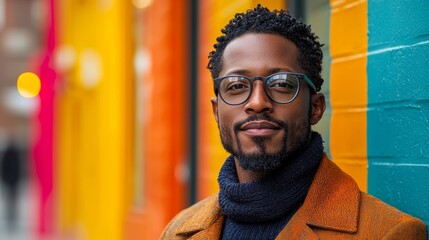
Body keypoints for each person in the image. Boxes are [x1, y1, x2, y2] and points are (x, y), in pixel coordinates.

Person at [161, 5, 427, 239]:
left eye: (282, 84)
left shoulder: (386, 234)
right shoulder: (179, 230)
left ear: (315, 108)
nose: (257, 101)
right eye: (237, 85)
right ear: (217, 111)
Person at [0, 140, 22, 231]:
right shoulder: (12, 154)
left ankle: (12, 217)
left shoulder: (11, 154)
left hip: (12, 180)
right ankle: (11, 217)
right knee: (11, 200)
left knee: (12, 200)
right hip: (11, 180)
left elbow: (17, 168)